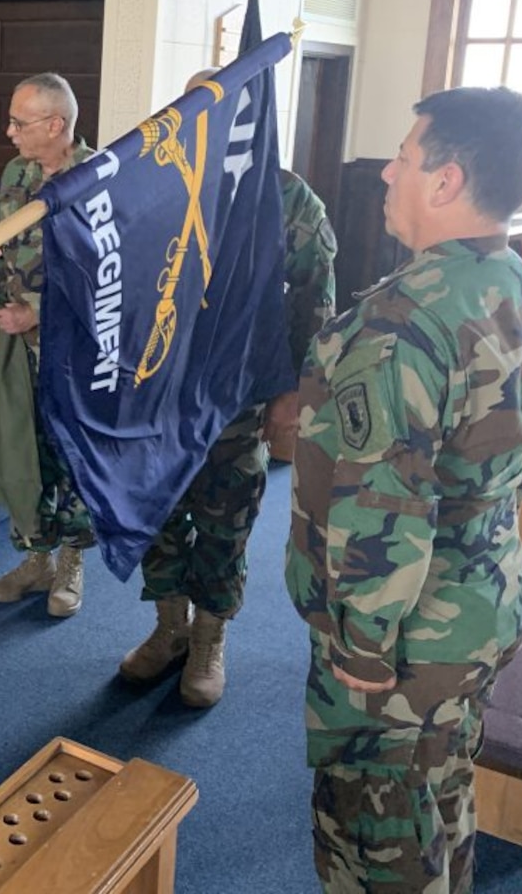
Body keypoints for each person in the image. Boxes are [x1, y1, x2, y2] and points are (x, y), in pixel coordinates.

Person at [284, 86, 522, 892]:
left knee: (376, 839)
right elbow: (513, 456)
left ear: (445, 182)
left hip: (407, 640)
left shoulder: (399, 326)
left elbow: (384, 509)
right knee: (441, 794)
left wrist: (363, 645)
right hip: (484, 598)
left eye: (406, 158)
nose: (387, 171)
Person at [118, 70, 338, 707]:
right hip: (159, 395)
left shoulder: (290, 200)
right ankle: (169, 629)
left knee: (224, 519)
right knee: (157, 513)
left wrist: (293, 394)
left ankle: (210, 638)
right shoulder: (161, 186)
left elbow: (314, 307)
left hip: (237, 400)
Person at [0, 72, 98, 617]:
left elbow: (111, 282)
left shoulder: (98, 181)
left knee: (71, 454)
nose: (9, 132)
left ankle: (72, 562)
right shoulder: (17, 172)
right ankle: (34, 556)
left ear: (56, 125)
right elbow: (0, 245)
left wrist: (39, 314)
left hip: (75, 351)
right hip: (18, 343)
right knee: (22, 446)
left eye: (20, 123)